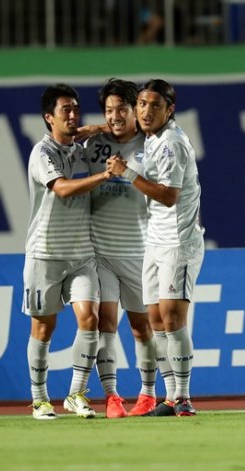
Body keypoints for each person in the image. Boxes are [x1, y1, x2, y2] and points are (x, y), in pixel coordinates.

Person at [107, 79, 205, 417]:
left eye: (155, 105)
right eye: (142, 104)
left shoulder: (172, 143)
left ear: (170, 109)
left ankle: (184, 398)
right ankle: (171, 396)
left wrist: (126, 173)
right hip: (155, 241)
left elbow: (168, 195)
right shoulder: (152, 138)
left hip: (178, 242)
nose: (146, 111)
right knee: (155, 320)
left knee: (173, 318)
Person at [23, 83, 111, 420]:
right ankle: (40, 399)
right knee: (43, 329)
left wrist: (94, 128)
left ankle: (76, 394)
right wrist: (105, 175)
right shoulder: (42, 153)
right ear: (49, 117)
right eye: (66, 110)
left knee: (90, 320)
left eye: (76, 109)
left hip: (82, 254)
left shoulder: (82, 149)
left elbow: (109, 129)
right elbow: (61, 189)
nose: (73, 115)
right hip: (45, 253)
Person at [85, 78, 158, 418]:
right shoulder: (94, 144)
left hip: (139, 251)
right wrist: (97, 128)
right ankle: (111, 396)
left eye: (121, 110)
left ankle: (148, 394)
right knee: (106, 324)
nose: (114, 116)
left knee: (142, 327)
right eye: (108, 111)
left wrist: (126, 172)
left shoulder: (152, 144)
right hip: (100, 251)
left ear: (135, 110)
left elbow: (164, 189)